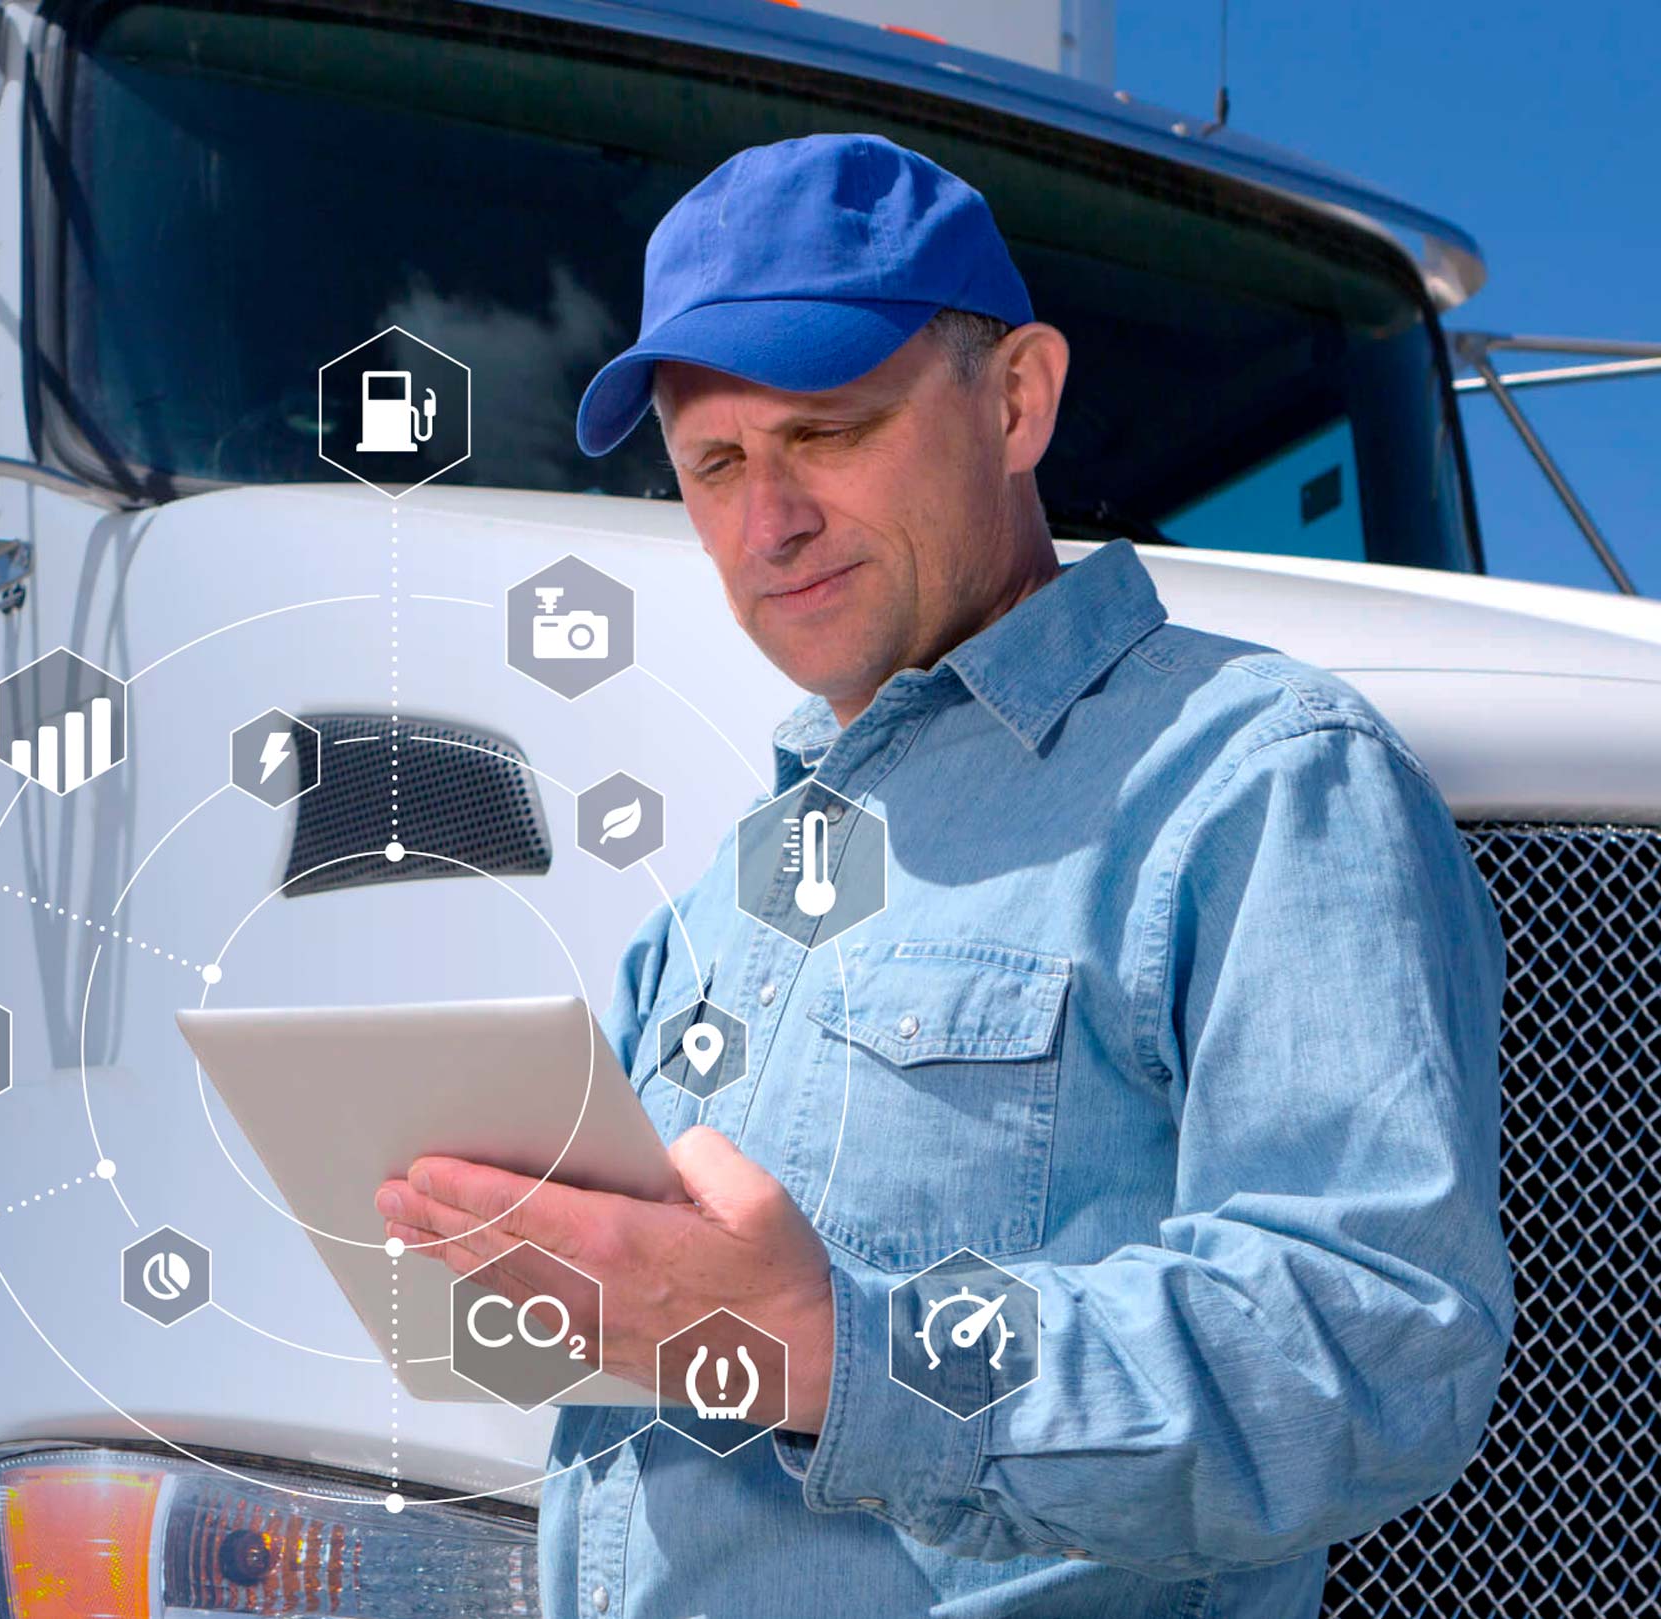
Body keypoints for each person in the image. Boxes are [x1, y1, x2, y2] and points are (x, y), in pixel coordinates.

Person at [374, 132, 1511, 1617]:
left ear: (1019, 398)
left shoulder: (1260, 776)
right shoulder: (722, 901)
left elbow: (1371, 1349)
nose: (765, 524)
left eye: (828, 433)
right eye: (714, 464)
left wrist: (841, 1350)